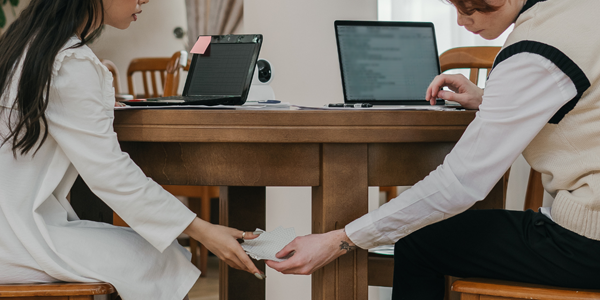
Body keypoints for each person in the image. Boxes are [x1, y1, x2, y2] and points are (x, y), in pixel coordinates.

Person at [267, 0, 600, 298]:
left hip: (587, 243)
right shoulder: (580, 10)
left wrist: (339, 240)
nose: (462, 20)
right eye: (455, 6)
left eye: (470, 7)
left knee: (418, 243)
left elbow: (459, 184)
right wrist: (490, 99)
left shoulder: (533, 52)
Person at [0, 1, 263, 299]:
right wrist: (203, 230)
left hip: (11, 230)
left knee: (152, 250)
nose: (145, 0)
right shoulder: (70, 63)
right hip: (19, 240)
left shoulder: (29, 46)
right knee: (162, 256)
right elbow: (111, 174)